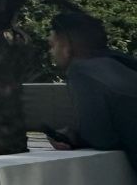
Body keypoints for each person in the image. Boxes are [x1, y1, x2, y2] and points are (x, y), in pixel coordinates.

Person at [47, 10, 137, 167]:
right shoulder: (122, 62)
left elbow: (101, 138)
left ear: (66, 46)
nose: (51, 52)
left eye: (52, 45)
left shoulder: (81, 71)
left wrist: (73, 137)